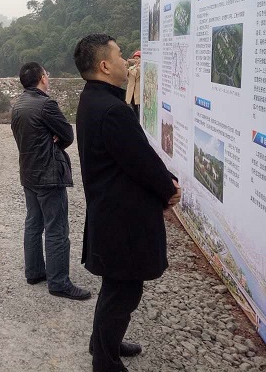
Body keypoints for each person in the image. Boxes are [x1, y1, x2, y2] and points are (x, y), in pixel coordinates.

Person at [73, 34, 181, 372]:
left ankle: (103, 342)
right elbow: (141, 161)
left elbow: (131, 156)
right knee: (123, 292)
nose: (127, 62)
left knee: (115, 287)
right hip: (122, 219)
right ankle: (105, 362)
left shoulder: (92, 99)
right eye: (120, 56)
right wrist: (168, 188)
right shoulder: (113, 110)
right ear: (105, 65)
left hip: (110, 210)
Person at [11, 62, 91, 301]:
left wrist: (50, 137)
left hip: (28, 172)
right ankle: (58, 282)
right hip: (48, 174)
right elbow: (68, 134)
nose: (48, 77)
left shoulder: (18, 105)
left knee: (33, 224)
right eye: (46, 73)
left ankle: (34, 272)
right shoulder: (46, 105)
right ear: (41, 78)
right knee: (56, 228)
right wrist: (54, 139)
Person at [125, 50, 141, 119]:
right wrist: (127, 64)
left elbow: (140, 71)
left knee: (141, 108)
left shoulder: (142, 67)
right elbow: (125, 74)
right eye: (135, 58)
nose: (136, 60)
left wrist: (137, 64)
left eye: (137, 58)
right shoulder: (131, 68)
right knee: (134, 108)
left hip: (139, 91)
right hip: (132, 91)